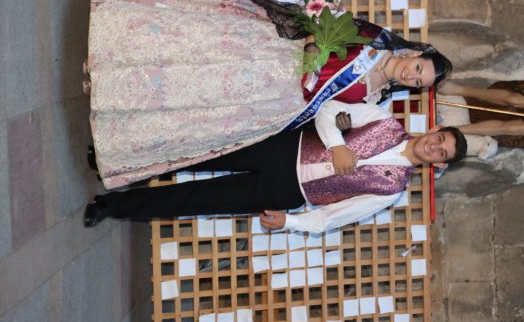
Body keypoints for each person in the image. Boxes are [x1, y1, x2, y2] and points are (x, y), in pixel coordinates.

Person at [86, 0, 452, 189]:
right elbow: (317, 28)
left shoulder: (374, 101)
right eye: (418, 68)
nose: (411, 76)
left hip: (274, 105)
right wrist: (313, 44)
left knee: (193, 103)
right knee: (191, 55)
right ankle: (107, 60)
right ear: (415, 52)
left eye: (418, 82)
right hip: (269, 59)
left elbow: (328, 113)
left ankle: (111, 95)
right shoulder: (371, 38)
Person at [83, 100, 468, 232]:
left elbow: (334, 217)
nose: (435, 147)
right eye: (441, 138)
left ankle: (111, 206)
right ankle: (114, 165)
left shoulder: (391, 191)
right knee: (195, 153)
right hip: (283, 148)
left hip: (286, 192)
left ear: (438, 166)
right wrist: (336, 146)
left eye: (442, 153)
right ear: (434, 129)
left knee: (194, 199)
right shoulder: (384, 119)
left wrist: (292, 222)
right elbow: (330, 110)